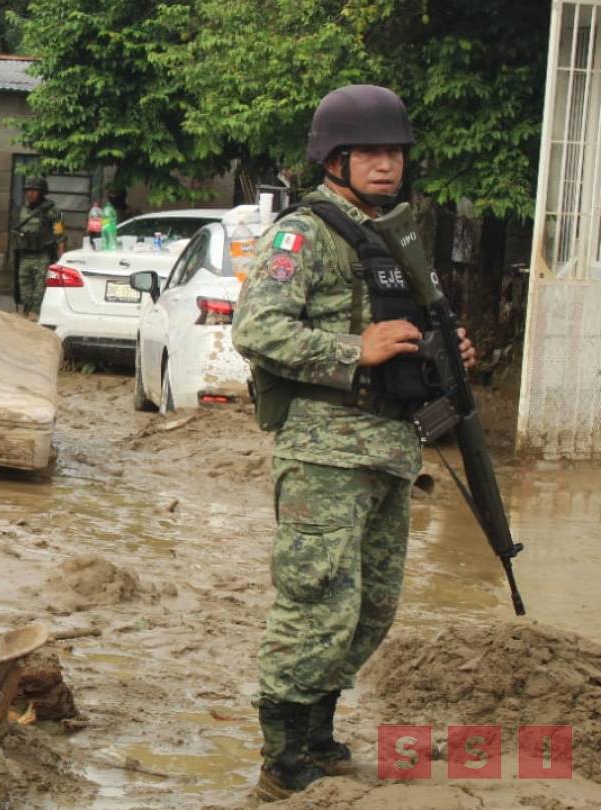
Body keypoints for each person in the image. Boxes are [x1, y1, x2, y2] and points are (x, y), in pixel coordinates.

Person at [231, 84, 477, 801]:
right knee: (317, 604)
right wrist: (354, 349)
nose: (385, 164)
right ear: (333, 159)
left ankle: (318, 734)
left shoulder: (396, 236)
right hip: (325, 452)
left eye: (394, 152)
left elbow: (406, 330)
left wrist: (444, 353)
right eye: (367, 152)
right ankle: (282, 759)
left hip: (391, 450)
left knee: (371, 608)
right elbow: (256, 330)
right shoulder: (303, 235)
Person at [12, 176, 64, 316]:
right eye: (28, 190)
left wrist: (61, 260)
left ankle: (35, 315)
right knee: (24, 290)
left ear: (42, 192)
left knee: (39, 292)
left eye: (35, 190)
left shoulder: (53, 211)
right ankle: (27, 313)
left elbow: (59, 235)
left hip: (43, 256)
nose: (30, 193)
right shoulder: (22, 210)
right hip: (24, 255)